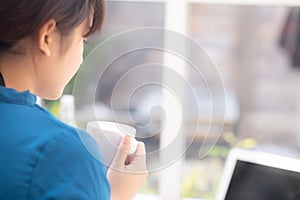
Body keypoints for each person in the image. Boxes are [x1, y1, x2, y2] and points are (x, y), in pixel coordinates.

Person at [0, 0, 148, 199]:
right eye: (83, 39)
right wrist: (116, 195)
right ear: (47, 37)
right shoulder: (61, 151)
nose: (81, 57)